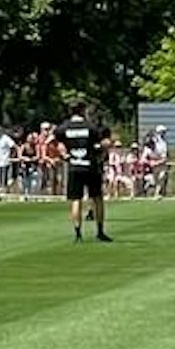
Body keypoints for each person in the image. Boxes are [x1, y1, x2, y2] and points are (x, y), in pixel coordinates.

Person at [54, 102, 110, 243]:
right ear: (82, 110)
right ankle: (100, 231)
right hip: (91, 167)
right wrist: (103, 150)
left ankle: (78, 233)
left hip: (74, 167)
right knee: (97, 199)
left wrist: (65, 154)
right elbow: (102, 142)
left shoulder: (64, 128)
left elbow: (57, 142)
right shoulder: (90, 127)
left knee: (76, 200)